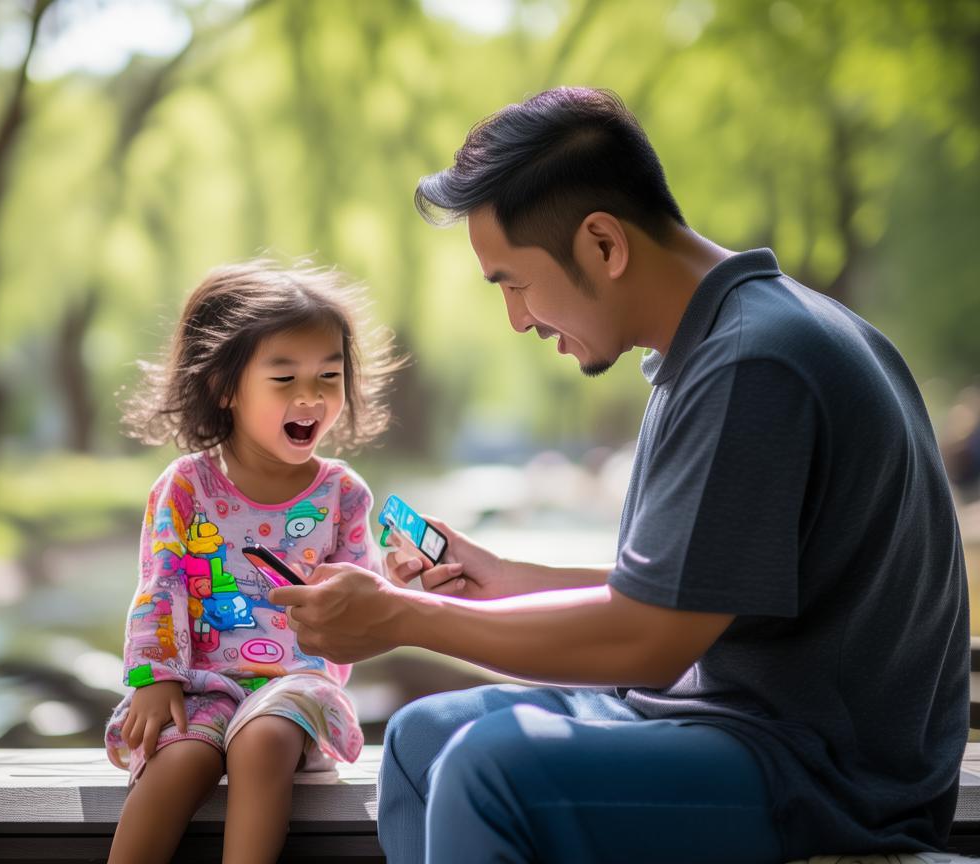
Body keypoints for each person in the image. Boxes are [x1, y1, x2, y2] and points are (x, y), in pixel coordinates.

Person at [269, 88, 969, 864]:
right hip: (730, 726)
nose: (517, 319)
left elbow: (651, 640)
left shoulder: (754, 364)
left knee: (488, 773)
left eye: (513, 282)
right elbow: (687, 595)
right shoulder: (722, 345)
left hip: (823, 775)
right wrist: (503, 581)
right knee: (419, 740)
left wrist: (404, 618)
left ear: (603, 243)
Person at [104, 261, 400, 864]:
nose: (310, 396)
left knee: (261, 742)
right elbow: (160, 587)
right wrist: (154, 678)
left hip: (296, 685)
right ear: (225, 386)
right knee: (178, 759)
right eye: (284, 377)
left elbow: (359, 604)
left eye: (329, 375)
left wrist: (396, 587)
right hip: (201, 682)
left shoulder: (342, 494)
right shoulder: (186, 486)